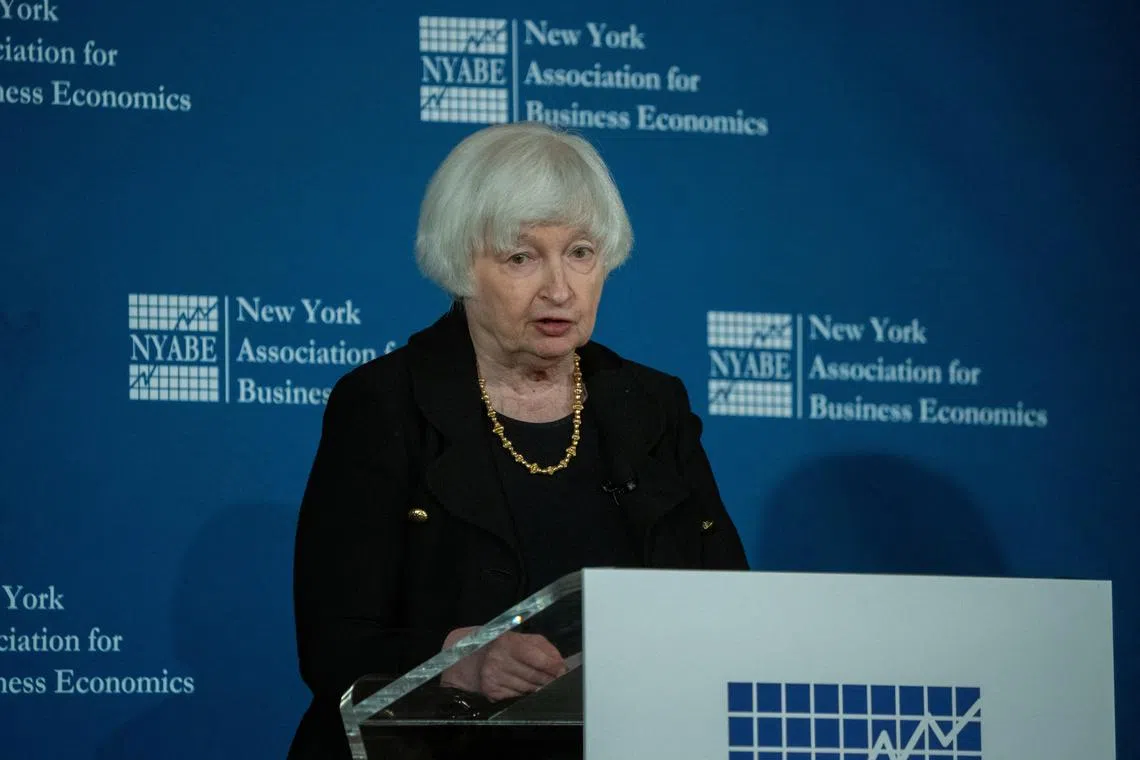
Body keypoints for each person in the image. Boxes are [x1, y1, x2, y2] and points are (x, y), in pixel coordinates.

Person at [286, 122, 748, 760]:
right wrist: (457, 660)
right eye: (521, 257)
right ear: (460, 266)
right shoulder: (384, 403)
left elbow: (729, 604)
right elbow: (334, 644)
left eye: (581, 253)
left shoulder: (650, 404)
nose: (559, 288)